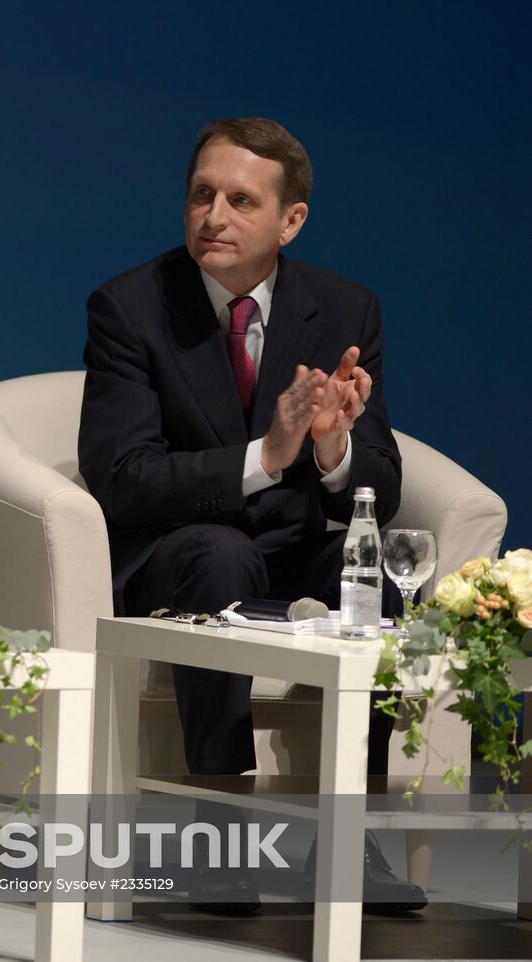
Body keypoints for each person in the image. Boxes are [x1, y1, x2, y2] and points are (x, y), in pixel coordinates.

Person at [78, 117, 424, 913]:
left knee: (371, 586)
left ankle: (349, 837)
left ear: (289, 220)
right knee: (220, 557)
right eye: (201, 195)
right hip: (176, 549)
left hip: (292, 545)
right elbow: (122, 478)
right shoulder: (129, 307)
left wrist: (333, 449)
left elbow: (382, 484)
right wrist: (266, 455)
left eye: (239, 200)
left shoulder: (344, 310)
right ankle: (220, 833)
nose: (213, 217)